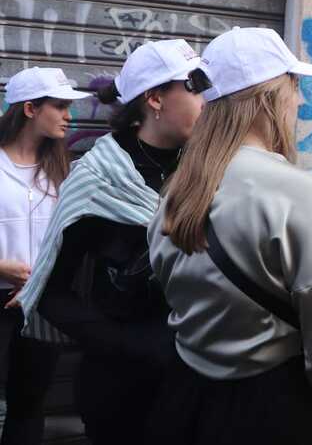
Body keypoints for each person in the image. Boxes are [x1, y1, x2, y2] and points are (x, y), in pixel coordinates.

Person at [146, 27, 312, 445]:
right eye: (294, 87)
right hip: (272, 408)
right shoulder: (300, 191)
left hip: (185, 399)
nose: (300, 101)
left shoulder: (176, 190)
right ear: (270, 98)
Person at [18, 39, 204, 445]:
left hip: (197, 381)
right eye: (194, 85)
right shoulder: (98, 176)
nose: (206, 99)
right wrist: (129, 343)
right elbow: (52, 292)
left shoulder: (208, 169)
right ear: (155, 98)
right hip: (122, 388)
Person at [0, 67, 89, 445]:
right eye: (60, 106)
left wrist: (40, 283)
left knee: (29, 405)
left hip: (40, 304)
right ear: (30, 109)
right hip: (3, 298)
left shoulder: (63, 170)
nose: (69, 116)